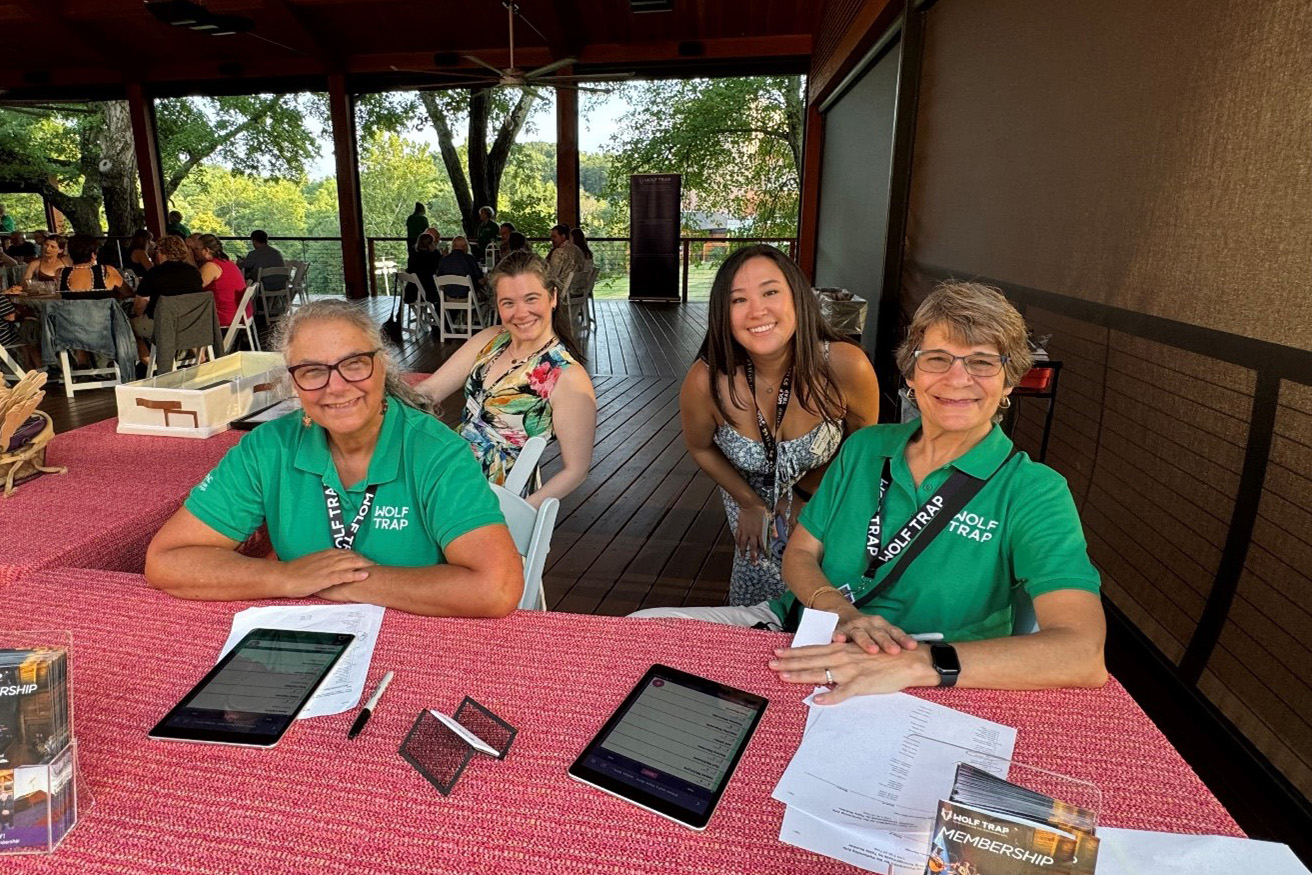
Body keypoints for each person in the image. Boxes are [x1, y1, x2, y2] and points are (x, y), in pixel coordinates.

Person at [760, 282, 1107, 700]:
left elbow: (1082, 653)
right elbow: (799, 554)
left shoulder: (1034, 491)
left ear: (1009, 382)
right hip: (796, 635)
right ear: (911, 373)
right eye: (937, 358)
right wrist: (840, 611)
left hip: (930, 685)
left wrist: (919, 662)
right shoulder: (866, 448)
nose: (957, 378)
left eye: (982, 362)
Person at [145, 300, 524, 617]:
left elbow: (497, 587)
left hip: (420, 642)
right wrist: (287, 578)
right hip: (304, 643)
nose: (337, 386)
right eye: (313, 371)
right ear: (293, 383)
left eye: (355, 363)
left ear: (382, 366)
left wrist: (342, 583)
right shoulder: (269, 447)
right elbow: (167, 560)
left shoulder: (435, 452)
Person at [629, 244, 880, 607]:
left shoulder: (844, 365)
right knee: (757, 614)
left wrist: (808, 496)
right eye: (738, 300)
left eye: (770, 292)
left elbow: (865, 445)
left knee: (826, 611)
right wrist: (748, 502)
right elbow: (700, 446)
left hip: (828, 506)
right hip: (753, 517)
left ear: (797, 298)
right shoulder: (706, 382)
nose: (757, 310)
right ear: (722, 314)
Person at [415, 250, 596, 507]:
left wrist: (516, 515)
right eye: (508, 303)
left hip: (498, 497)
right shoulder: (491, 339)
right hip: (449, 477)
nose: (521, 313)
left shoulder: (567, 375)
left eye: (531, 299)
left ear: (553, 297)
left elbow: (575, 470)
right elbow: (428, 392)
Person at [129, 234, 204, 356]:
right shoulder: (194, 272)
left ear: (162, 253)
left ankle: (150, 365)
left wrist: (139, 314)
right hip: (191, 322)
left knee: (126, 327)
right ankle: (197, 357)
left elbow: (139, 305)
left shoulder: (154, 273)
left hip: (162, 325)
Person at [196, 234, 248, 327]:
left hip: (226, 315)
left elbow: (193, 288)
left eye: (197, 249)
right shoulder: (228, 262)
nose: (195, 252)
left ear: (206, 250)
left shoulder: (211, 266)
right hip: (240, 312)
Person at [57, 234, 125, 297]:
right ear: (93, 255)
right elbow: (128, 293)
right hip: (101, 309)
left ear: (70, 254)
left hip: (70, 310)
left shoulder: (60, 273)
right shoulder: (106, 270)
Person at [437, 235, 485, 299]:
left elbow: (439, 279)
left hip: (448, 297)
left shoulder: (444, 260)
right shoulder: (470, 259)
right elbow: (480, 280)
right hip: (468, 297)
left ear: (453, 246)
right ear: (465, 246)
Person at [545, 223, 586, 292]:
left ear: (563, 236)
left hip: (562, 290)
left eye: (554, 237)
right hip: (577, 289)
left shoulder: (559, 252)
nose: (551, 239)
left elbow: (553, 275)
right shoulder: (577, 249)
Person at [403, 233, 442, 304]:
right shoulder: (434, 255)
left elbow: (409, 270)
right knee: (443, 294)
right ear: (430, 245)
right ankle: (440, 315)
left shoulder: (413, 255)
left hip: (411, 293)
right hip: (428, 293)